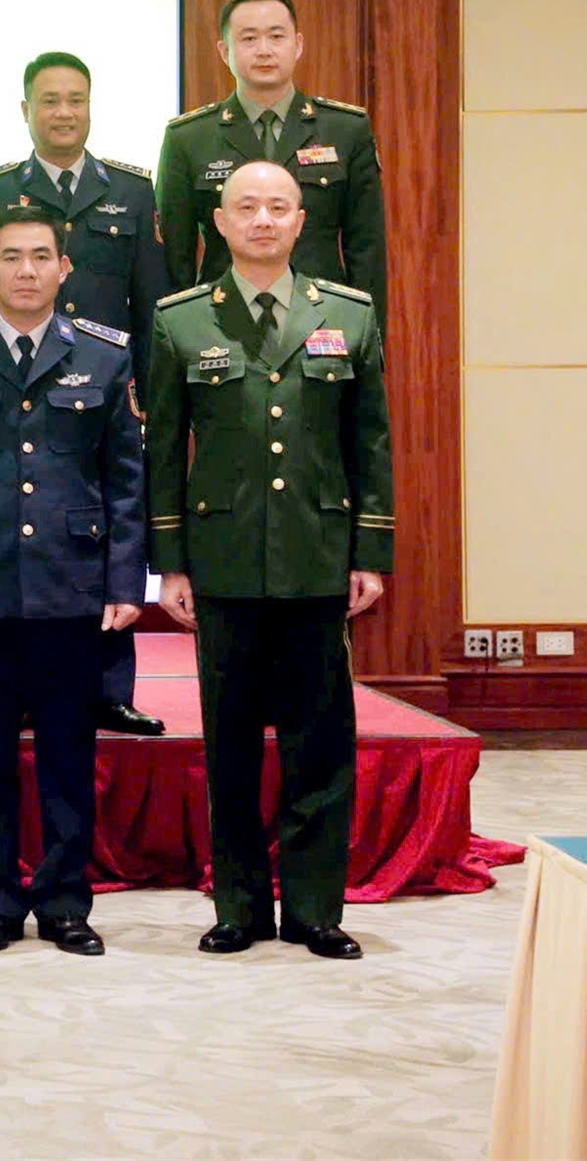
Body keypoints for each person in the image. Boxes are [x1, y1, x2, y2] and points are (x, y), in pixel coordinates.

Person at [148, 161, 393, 961]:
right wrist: (171, 561)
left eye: (277, 206)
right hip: (221, 562)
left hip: (318, 558)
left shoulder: (348, 315)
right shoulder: (183, 319)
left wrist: (371, 550)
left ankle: (318, 908)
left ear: (300, 221)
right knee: (229, 745)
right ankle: (240, 908)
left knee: (319, 742)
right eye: (245, 207)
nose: (262, 219)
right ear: (218, 222)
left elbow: (372, 443)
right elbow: (160, 453)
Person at [0, 204, 145, 959]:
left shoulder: (105, 358)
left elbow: (126, 480)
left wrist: (124, 581)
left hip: (71, 586)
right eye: (11, 256)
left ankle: (66, 900)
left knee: (70, 751)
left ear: (65, 268)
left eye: (42, 256)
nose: (27, 270)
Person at [0, 51, 170, 738]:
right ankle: (19, 690)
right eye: (49, 100)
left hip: (105, 393)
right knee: (34, 526)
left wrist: (148, 393)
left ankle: (111, 689)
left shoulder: (133, 191)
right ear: (26, 111)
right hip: (13, 388)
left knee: (103, 525)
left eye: (76, 99)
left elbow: (152, 302)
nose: (64, 112)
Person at [157, 0, 388, 325]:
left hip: (321, 323)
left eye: (276, 36)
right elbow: (174, 261)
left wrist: (368, 340)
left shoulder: (345, 130)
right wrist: (181, 341)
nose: (264, 50)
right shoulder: (189, 138)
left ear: (298, 45)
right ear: (225, 51)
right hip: (221, 330)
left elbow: (367, 249)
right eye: (249, 39)